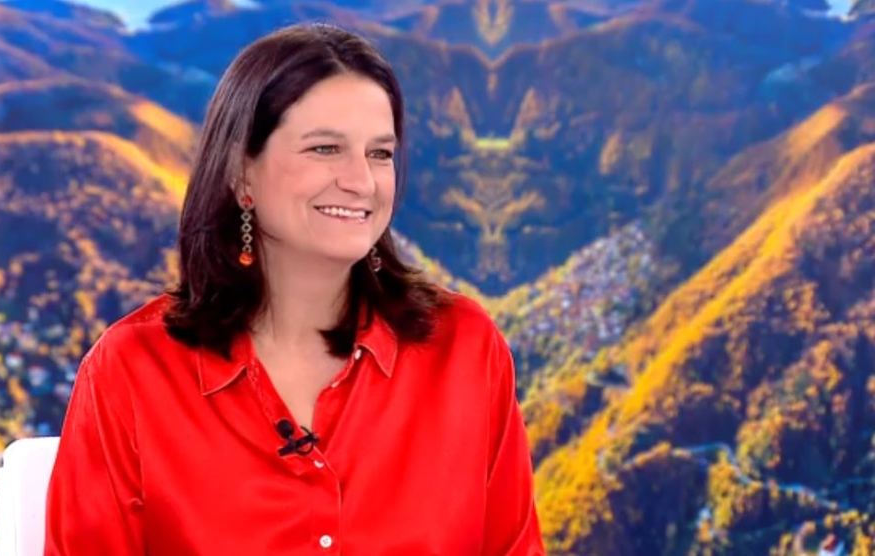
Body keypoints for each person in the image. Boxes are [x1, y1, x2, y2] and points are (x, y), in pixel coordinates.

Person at [44, 22, 545, 555]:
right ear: (242, 174)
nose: (362, 181)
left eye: (380, 154)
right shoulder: (131, 371)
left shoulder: (465, 349)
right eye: (325, 148)